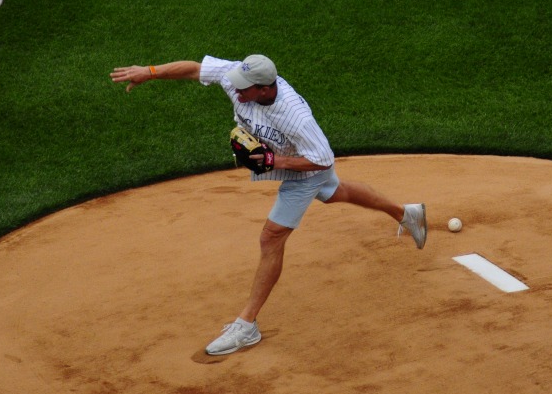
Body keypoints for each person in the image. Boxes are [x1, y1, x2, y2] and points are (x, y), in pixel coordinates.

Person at [110, 55, 427, 355]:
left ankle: (247, 325)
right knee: (337, 192)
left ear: (265, 88)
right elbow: (194, 68)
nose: (236, 90)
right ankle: (406, 213)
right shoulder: (240, 78)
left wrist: (276, 160)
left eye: (243, 89)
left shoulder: (295, 117)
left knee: (271, 237)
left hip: (306, 171)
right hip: (299, 162)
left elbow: (322, 159)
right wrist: (149, 72)